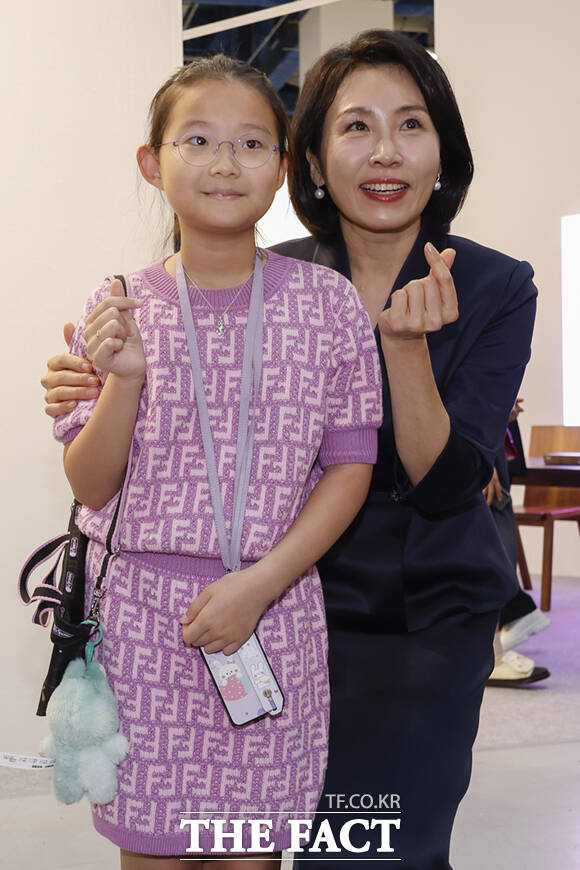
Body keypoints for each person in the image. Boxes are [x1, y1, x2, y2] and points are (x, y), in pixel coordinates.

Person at [42, 31, 537, 869]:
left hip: (411, 612)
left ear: (443, 150)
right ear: (309, 161)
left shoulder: (488, 285)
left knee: (375, 849)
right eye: (356, 127)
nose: (385, 151)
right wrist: (92, 383)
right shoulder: (273, 273)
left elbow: (447, 480)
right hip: (283, 605)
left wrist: (406, 351)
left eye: (411, 125)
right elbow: (127, 451)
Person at [42, 55, 384, 869]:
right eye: (197, 140)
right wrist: (125, 381)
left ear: (284, 166)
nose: (225, 163)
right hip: (142, 629)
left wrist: (258, 587)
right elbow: (91, 485)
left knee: (248, 855)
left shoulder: (328, 304)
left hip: (273, 615)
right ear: (151, 163)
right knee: (153, 853)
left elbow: (351, 467)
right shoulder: (116, 304)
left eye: (251, 143)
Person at [485, 400, 550, 686]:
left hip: (487, 437)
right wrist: (483, 459)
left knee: (495, 523)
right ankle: (494, 648)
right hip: (477, 440)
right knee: (491, 530)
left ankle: (495, 647)